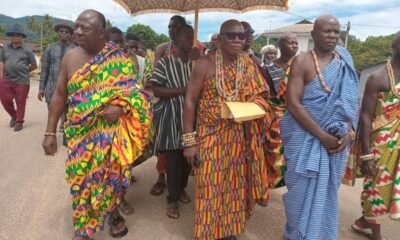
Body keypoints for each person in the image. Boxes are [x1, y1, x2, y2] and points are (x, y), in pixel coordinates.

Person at [42, 10, 152, 240]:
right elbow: (60, 95)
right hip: (80, 133)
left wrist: (121, 109)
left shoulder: (120, 59)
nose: (78, 32)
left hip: (110, 134)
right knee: (81, 179)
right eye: (77, 26)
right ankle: (84, 229)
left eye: (85, 28)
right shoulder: (70, 58)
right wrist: (50, 131)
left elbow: (138, 96)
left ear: (101, 33)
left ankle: (113, 214)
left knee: (109, 178)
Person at [183, 19, 270, 240]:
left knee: (234, 186)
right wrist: (189, 142)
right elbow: (190, 102)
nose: (238, 39)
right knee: (210, 184)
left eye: (241, 35)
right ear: (220, 39)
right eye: (231, 35)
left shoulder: (249, 64)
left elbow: (262, 98)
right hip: (209, 135)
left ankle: (227, 230)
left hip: (240, 136)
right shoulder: (204, 63)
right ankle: (209, 233)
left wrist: (240, 110)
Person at [280, 15, 359, 240]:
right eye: (327, 31)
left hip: (335, 142)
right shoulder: (302, 61)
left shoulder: (345, 61)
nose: (333, 35)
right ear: (314, 34)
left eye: (336, 31)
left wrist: (349, 132)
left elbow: (351, 104)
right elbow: (293, 104)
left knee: (326, 194)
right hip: (303, 138)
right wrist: (323, 136)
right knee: (299, 193)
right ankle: (294, 234)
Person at [350, 32, 400, 240]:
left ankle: (364, 221)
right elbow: (366, 117)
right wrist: (367, 155)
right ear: (395, 46)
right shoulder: (378, 78)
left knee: (393, 187)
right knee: (377, 187)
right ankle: (376, 233)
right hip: (380, 143)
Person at [149, 24, 194, 219]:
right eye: (186, 36)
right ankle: (172, 199)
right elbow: (156, 89)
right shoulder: (166, 63)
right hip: (172, 118)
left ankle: (182, 188)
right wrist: (184, 89)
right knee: (174, 160)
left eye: (192, 36)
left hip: (193, 120)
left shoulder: (197, 64)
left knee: (188, 161)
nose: (190, 40)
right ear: (175, 40)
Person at [38, 22, 75, 144]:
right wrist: (41, 88)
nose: (64, 33)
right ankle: (51, 134)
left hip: (69, 86)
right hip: (52, 86)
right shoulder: (50, 47)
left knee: (68, 112)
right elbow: (45, 69)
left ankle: (66, 134)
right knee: (52, 110)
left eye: (67, 32)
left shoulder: (75, 49)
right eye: (61, 31)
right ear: (58, 33)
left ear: (70, 35)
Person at [0, 26, 37, 131]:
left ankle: (19, 122)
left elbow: (34, 65)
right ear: (10, 37)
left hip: (22, 80)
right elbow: (1, 61)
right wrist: (1, 76)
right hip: (6, 79)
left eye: (17, 35)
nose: (15, 37)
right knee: (5, 100)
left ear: (21, 37)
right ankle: (14, 116)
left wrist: (25, 71)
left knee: (20, 101)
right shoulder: (5, 48)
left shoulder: (27, 50)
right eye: (13, 35)